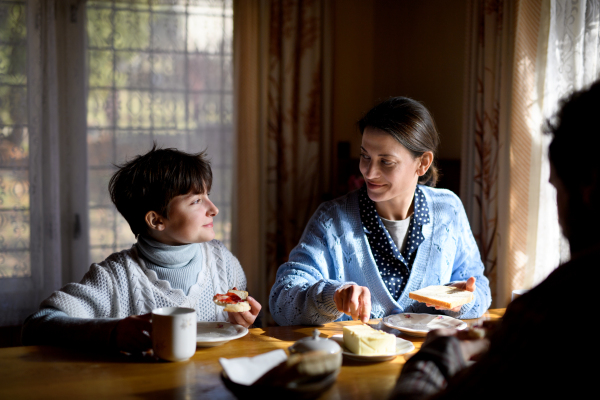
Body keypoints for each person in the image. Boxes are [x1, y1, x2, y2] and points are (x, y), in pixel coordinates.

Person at [391, 81, 600, 399]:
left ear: (589, 186)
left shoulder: (552, 308)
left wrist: (438, 354)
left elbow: (479, 291)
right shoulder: (334, 216)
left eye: (556, 187)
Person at [269, 97, 492, 326]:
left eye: (386, 161)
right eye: (365, 156)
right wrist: (330, 297)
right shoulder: (331, 220)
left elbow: (481, 290)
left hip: (428, 359)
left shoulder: (449, 209)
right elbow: (281, 300)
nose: (369, 172)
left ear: (423, 163)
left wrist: (461, 300)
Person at [21, 146, 261, 354]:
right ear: (156, 221)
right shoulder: (114, 277)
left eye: (208, 195)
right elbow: (37, 326)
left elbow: (239, 334)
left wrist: (244, 321)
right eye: (196, 201)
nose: (214, 209)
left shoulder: (224, 262)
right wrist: (113, 331)